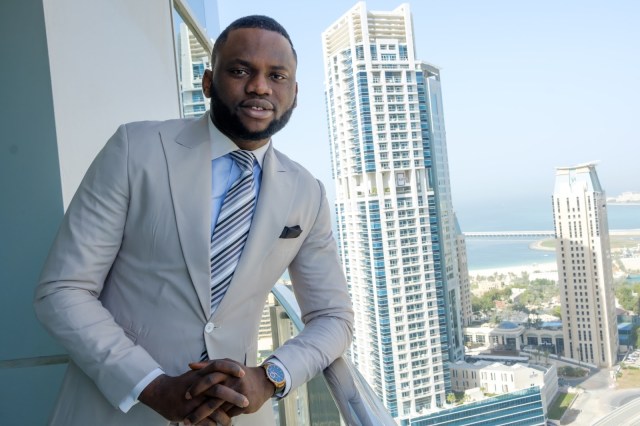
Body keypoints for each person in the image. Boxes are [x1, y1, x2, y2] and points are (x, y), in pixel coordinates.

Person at [34, 15, 353, 426]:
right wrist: (151, 385)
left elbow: (333, 317)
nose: (259, 87)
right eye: (240, 71)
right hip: (115, 411)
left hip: (236, 415)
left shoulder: (308, 192)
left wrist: (270, 377)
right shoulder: (136, 149)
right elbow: (63, 290)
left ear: (294, 94)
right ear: (207, 82)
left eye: (277, 76)